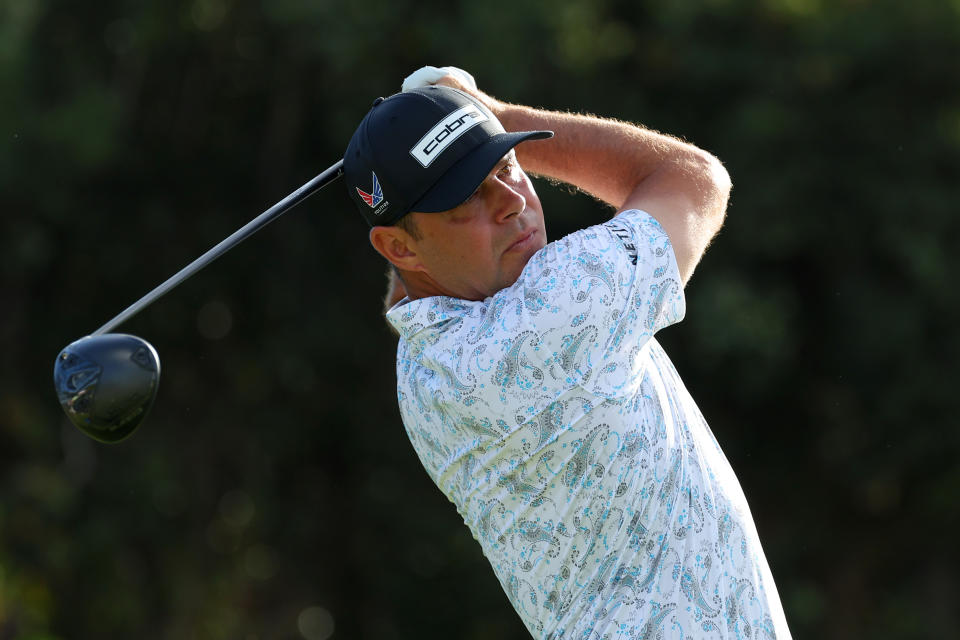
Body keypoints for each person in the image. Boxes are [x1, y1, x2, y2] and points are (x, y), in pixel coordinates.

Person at [343, 66, 792, 639]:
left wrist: (453, 140)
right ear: (399, 246)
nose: (510, 201)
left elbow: (403, 291)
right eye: (467, 197)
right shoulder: (558, 310)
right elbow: (694, 178)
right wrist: (499, 117)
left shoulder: (423, 367)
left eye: (505, 165)